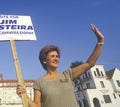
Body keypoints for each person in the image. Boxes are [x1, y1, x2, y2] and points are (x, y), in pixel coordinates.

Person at [16, 24, 104, 107]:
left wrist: (100, 41)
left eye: (57, 56)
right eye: (52, 56)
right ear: (44, 60)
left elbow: (90, 63)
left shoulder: (68, 74)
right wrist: (24, 95)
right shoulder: (39, 82)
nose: (56, 58)